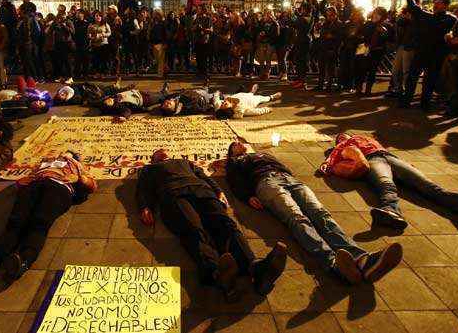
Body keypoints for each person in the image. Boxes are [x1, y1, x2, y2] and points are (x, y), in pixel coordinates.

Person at [225, 141, 403, 284]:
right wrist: (247, 196)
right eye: (234, 145)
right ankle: (333, 263)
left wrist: (288, 176)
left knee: (320, 213)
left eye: (239, 142)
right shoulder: (235, 162)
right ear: (232, 152)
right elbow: (234, 181)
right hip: (265, 183)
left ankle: (362, 260)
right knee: (297, 217)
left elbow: (283, 166)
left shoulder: (262, 154)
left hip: (289, 179)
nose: (238, 143)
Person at [137, 149, 287, 300]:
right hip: (173, 195)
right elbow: (143, 189)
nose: (164, 152)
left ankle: (256, 268)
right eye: (159, 152)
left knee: (226, 224)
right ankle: (216, 273)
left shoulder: (185, 162)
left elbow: (203, 176)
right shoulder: (148, 169)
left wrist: (218, 191)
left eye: (165, 151)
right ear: (153, 159)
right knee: (193, 229)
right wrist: (144, 206)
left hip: (202, 191)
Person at [319, 133, 458, 230]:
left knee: (431, 188)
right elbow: (335, 164)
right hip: (373, 160)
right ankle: (391, 211)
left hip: (389, 156)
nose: (345, 135)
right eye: (341, 136)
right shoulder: (343, 146)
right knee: (386, 185)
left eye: (345, 134)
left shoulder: (366, 137)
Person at [0, 151, 96, 283]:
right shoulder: (45, 162)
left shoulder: (77, 165)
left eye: (67, 153)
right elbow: (25, 179)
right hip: (34, 186)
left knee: (39, 223)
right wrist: (20, 183)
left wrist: (79, 178)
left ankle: (23, 260)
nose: (62, 153)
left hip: (59, 188)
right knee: (15, 222)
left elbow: (92, 185)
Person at [400, 0, 456, 110]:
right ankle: (406, 100)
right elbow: (413, 7)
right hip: (421, 51)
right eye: (435, 2)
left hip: (437, 54)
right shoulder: (428, 16)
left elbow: (453, 34)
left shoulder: (450, 19)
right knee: (412, 76)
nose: (435, 4)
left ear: (446, 5)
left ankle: (425, 102)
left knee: (430, 79)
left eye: (439, 3)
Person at [354, 7, 392, 95]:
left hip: (377, 51)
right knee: (361, 69)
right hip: (365, 49)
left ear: (383, 16)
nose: (376, 15)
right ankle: (359, 88)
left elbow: (389, 38)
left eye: (378, 14)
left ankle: (368, 90)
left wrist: (383, 33)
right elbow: (360, 34)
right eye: (375, 13)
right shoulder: (368, 24)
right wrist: (360, 37)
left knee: (372, 71)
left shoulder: (386, 25)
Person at [390, 6, 417, 98]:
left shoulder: (416, 22)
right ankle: (398, 89)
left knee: (406, 70)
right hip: (402, 45)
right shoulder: (402, 22)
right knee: (395, 70)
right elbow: (398, 28)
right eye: (404, 14)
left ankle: (407, 91)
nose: (405, 15)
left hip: (410, 47)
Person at [214, 84, 282, 119]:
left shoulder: (219, 105)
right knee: (262, 98)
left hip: (241, 95)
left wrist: (217, 93)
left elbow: (216, 99)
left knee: (240, 93)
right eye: (225, 105)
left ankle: (251, 92)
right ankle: (272, 96)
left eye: (222, 104)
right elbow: (255, 112)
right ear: (229, 110)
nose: (223, 102)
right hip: (252, 101)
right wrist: (266, 109)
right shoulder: (240, 110)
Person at [315, 7, 344, 91]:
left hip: (331, 49)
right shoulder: (325, 23)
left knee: (330, 69)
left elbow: (341, 37)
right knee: (321, 68)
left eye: (331, 15)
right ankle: (320, 85)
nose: (329, 17)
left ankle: (329, 86)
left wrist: (332, 37)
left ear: (335, 14)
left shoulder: (339, 24)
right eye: (327, 15)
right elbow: (322, 34)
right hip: (323, 48)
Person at [49, 6, 76, 84]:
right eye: (59, 15)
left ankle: (70, 77)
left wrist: (65, 26)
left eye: (62, 15)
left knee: (67, 61)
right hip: (58, 43)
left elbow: (72, 31)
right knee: (59, 61)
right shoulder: (56, 22)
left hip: (66, 43)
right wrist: (54, 25)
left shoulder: (68, 22)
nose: (60, 17)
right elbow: (51, 30)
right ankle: (60, 76)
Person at [88, 11, 112, 78]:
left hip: (103, 44)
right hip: (95, 44)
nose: (98, 17)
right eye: (96, 16)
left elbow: (109, 32)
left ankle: (103, 73)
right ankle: (97, 73)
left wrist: (104, 35)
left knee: (103, 59)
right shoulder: (91, 25)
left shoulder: (105, 24)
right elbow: (89, 33)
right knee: (96, 60)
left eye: (99, 16)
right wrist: (92, 37)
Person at [150, 9, 167, 77]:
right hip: (154, 42)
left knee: (161, 59)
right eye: (155, 14)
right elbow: (151, 33)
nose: (155, 15)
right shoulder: (153, 23)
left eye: (157, 14)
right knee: (157, 59)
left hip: (161, 42)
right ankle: (164, 69)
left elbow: (165, 33)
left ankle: (160, 73)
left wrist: (165, 43)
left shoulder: (163, 23)